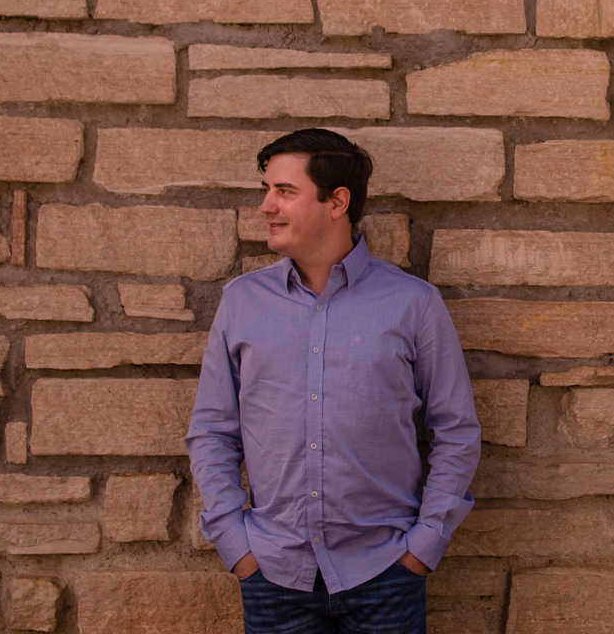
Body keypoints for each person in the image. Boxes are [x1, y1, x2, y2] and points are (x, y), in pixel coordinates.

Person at [187, 128, 480, 634]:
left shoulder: (413, 303)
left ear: (337, 202)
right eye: (267, 189)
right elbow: (212, 431)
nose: (266, 206)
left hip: (385, 573)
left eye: (284, 191)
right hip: (274, 574)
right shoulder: (242, 302)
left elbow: (455, 430)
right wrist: (237, 546)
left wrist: (422, 547)